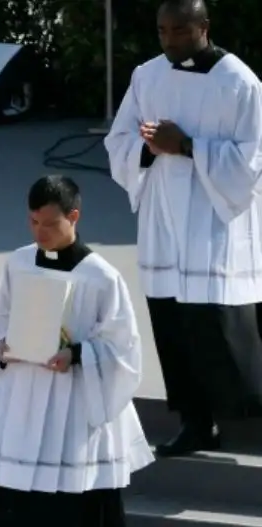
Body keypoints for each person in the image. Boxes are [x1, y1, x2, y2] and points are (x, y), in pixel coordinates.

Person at [0, 176, 154, 527]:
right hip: (23, 394)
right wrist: (1, 342)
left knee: (61, 510)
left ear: (73, 217)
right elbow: (0, 313)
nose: (39, 233)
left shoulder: (100, 276)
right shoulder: (18, 263)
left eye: (50, 224)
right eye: (33, 222)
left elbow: (123, 347)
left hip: (69, 404)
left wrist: (76, 355)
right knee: (13, 500)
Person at [105, 0, 262, 456]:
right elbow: (119, 140)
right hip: (164, 221)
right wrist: (149, 149)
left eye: (179, 31)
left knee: (221, 327)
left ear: (203, 27)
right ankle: (196, 422)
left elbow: (252, 160)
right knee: (173, 324)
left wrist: (189, 145)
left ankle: (247, 419)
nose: (169, 41)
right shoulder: (146, 76)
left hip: (214, 222)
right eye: (162, 31)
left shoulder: (239, 83)